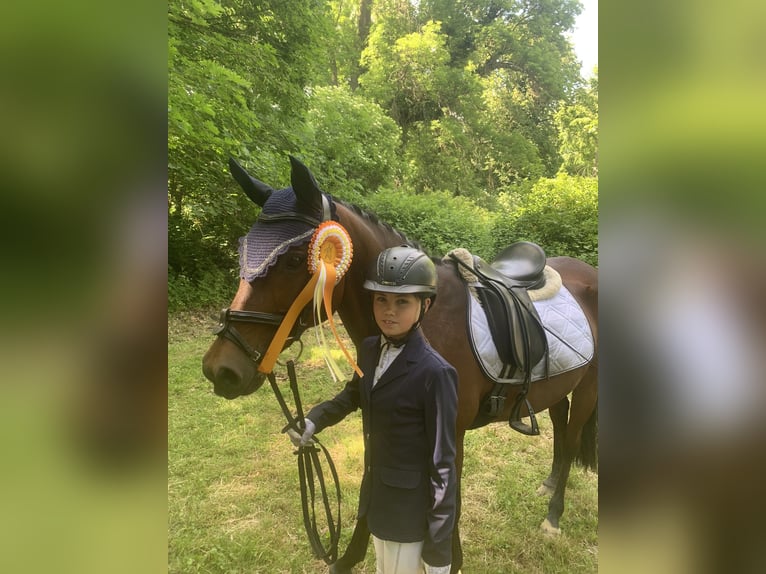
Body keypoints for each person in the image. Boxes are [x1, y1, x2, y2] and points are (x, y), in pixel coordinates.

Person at [290, 245, 459, 574]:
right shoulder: (368, 349)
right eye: (381, 299)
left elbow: (444, 466)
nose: (389, 311)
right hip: (378, 498)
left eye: (401, 302)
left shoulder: (436, 374)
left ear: (425, 305)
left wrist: (439, 549)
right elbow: (352, 395)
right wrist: (314, 419)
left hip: (408, 513)